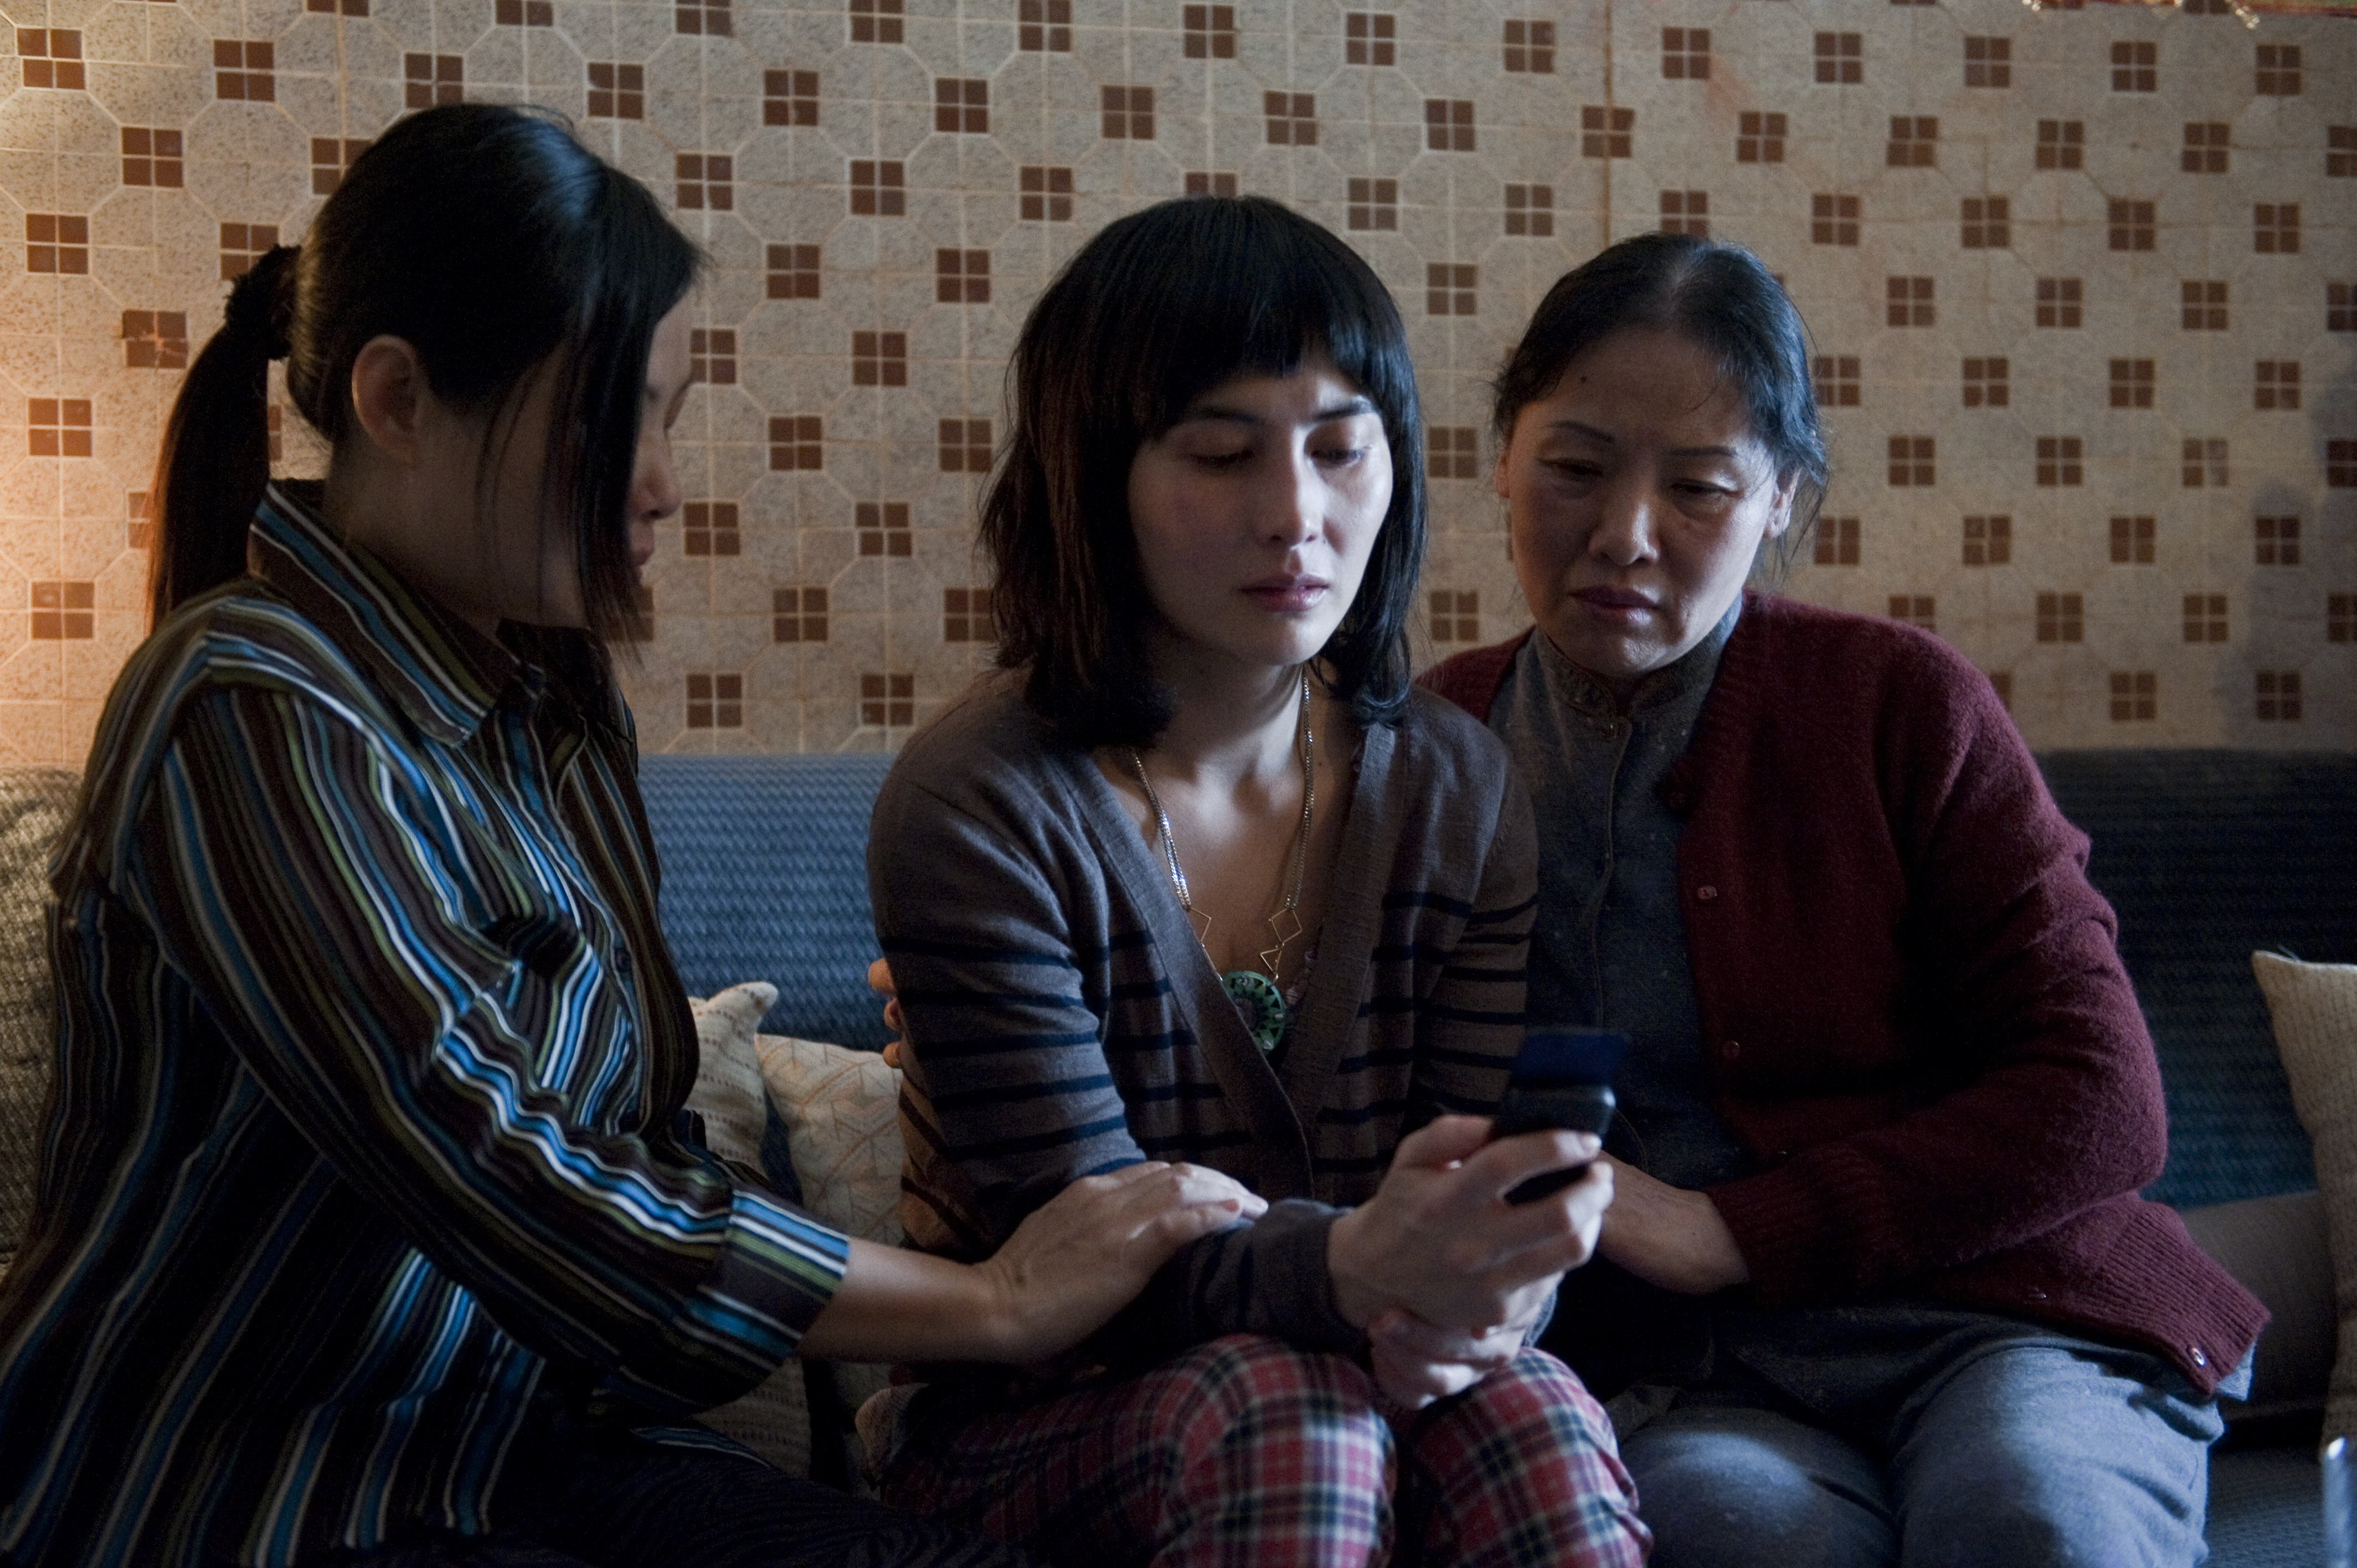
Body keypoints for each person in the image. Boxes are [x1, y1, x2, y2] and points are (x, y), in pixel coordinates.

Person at [0, 104, 1264, 1568]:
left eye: (670, 416)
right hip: (253, 1496)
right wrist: (1000, 1301)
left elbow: (644, 1146)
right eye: (618, 420)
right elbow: (502, 1167)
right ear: (398, 401)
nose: (661, 480)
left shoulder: (552, 704)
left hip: (528, 1459)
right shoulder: (245, 703)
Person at [1421, 231, 2269, 1568]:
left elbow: (2100, 1098)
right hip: (1707, 1376)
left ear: (1780, 502)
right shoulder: (1433, 743)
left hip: (2010, 1320)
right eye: (1574, 469)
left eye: (1698, 488)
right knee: (1726, 1532)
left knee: (2028, 1515)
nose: (1624, 535)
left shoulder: (1897, 703)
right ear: (1501, 460)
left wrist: (1722, 1229)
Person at [861, 195, 1649, 1568]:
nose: (1296, 515)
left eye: (1341, 450)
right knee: (1287, 1414)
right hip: (1033, 1415)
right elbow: (1082, 1269)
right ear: (1094, 479)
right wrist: (1351, 1269)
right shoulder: (982, 805)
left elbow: (1468, 1175)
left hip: (1351, 1372)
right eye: (1222, 454)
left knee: (1530, 1414)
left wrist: (1486, 1294)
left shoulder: (1456, 791)